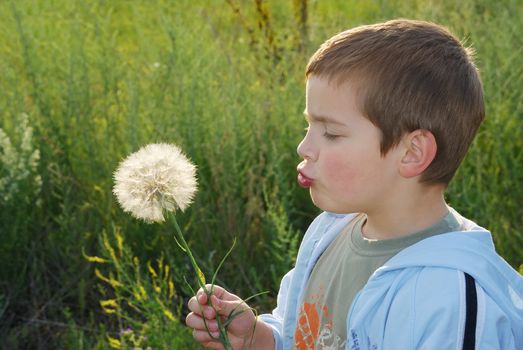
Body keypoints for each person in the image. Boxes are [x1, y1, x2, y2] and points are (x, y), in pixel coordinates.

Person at [185, 19, 523, 349]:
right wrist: (258, 339)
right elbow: (303, 335)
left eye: (330, 133)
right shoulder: (329, 234)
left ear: (411, 152)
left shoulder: (448, 296)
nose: (304, 148)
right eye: (309, 127)